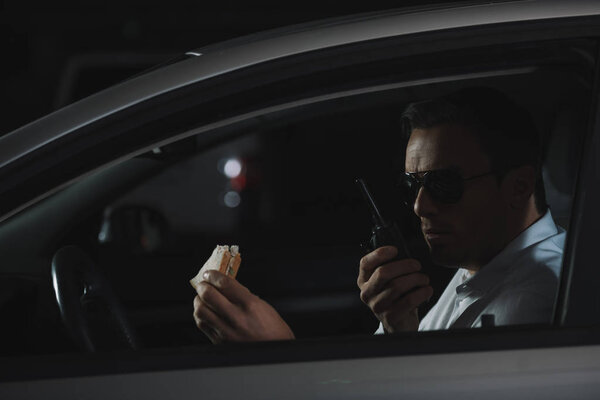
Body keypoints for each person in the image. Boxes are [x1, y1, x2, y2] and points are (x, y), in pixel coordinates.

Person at [192, 87, 565, 342]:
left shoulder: (533, 302)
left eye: (444, 184)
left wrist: (277, 357)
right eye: (411, 186)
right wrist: (397, 327)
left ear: (518, 187)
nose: (420, 205)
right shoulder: (486, 264)